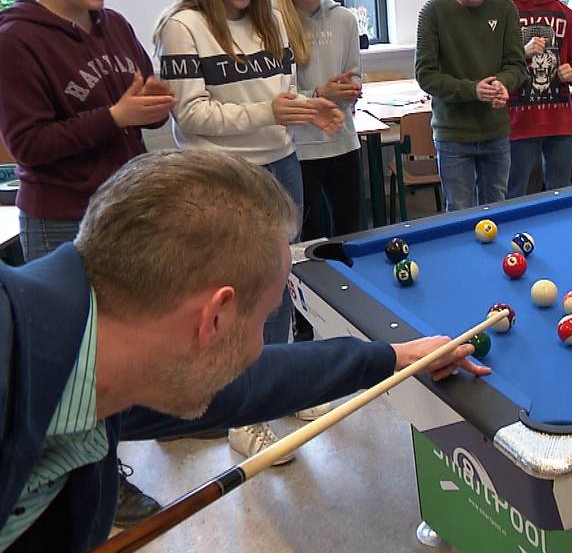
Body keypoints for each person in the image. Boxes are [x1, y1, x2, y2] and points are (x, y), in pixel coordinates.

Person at [0, 149, 488, 552]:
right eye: (264, 319)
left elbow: (246, 384)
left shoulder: (101, 354)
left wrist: (391, 358)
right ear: (214, 318)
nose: (261, 343)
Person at [0, 0, 176, 528]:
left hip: (123, 209)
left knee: (117, 348)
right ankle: (74, 482)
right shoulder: (16, 41)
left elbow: (141, 102)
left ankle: (105, 462)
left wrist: (151, 106)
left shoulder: (116, 25)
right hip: (62, 219)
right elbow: (29, 148)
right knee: (69, 364)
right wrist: (116, 117)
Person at [155, 0, 343, 463]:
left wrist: (313, 109)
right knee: (233, 295)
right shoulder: (181, 26)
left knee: (279, 281)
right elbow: (190, 116)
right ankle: (242, 411)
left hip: (281, 163)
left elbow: (278, 93)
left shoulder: (273, 19)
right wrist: (273, 112)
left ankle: (276, 387)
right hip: (222, 174)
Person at [414, 0, 526, 211]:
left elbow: (516, 66)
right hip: (453, 135)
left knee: (496, 209)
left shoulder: (506, 10)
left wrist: (502, 84)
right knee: (460, 212)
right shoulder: (433, 12)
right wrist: (473, 90)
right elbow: (426, 75)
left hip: (496, 131)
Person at [273, 0, 363, 242]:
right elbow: (274, 94)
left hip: (343, 142)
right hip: (297, 149)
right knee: (309, 237)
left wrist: (350, 91)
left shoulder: (344, 19)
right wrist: (320, 95)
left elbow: (355, 76)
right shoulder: (272, 21)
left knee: (351, 235)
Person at [504, 0, 572, 198]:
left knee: (560, 192)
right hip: (519, 119)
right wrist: (522, 53)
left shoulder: (565, 13)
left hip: (559, 119)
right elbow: (494, 60)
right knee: (515, 190)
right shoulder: (505, 10)